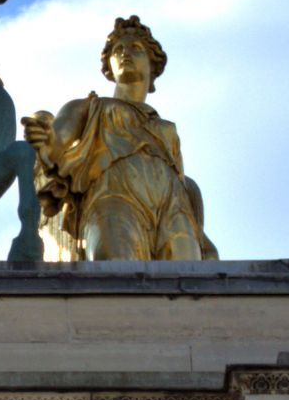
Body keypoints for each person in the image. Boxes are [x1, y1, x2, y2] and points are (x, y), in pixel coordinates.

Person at [22, 16, 215, 261]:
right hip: (113, 198)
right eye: (117, 50)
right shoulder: (88, 107)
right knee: (115, 272)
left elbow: (180, 180)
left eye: (136, 49)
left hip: (173, 206)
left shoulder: (166, 129)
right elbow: (56, 142)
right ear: (109, 65)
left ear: (152, 64)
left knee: (190, 279)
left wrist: (203, 238)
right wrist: (44, 138)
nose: (125, 53)